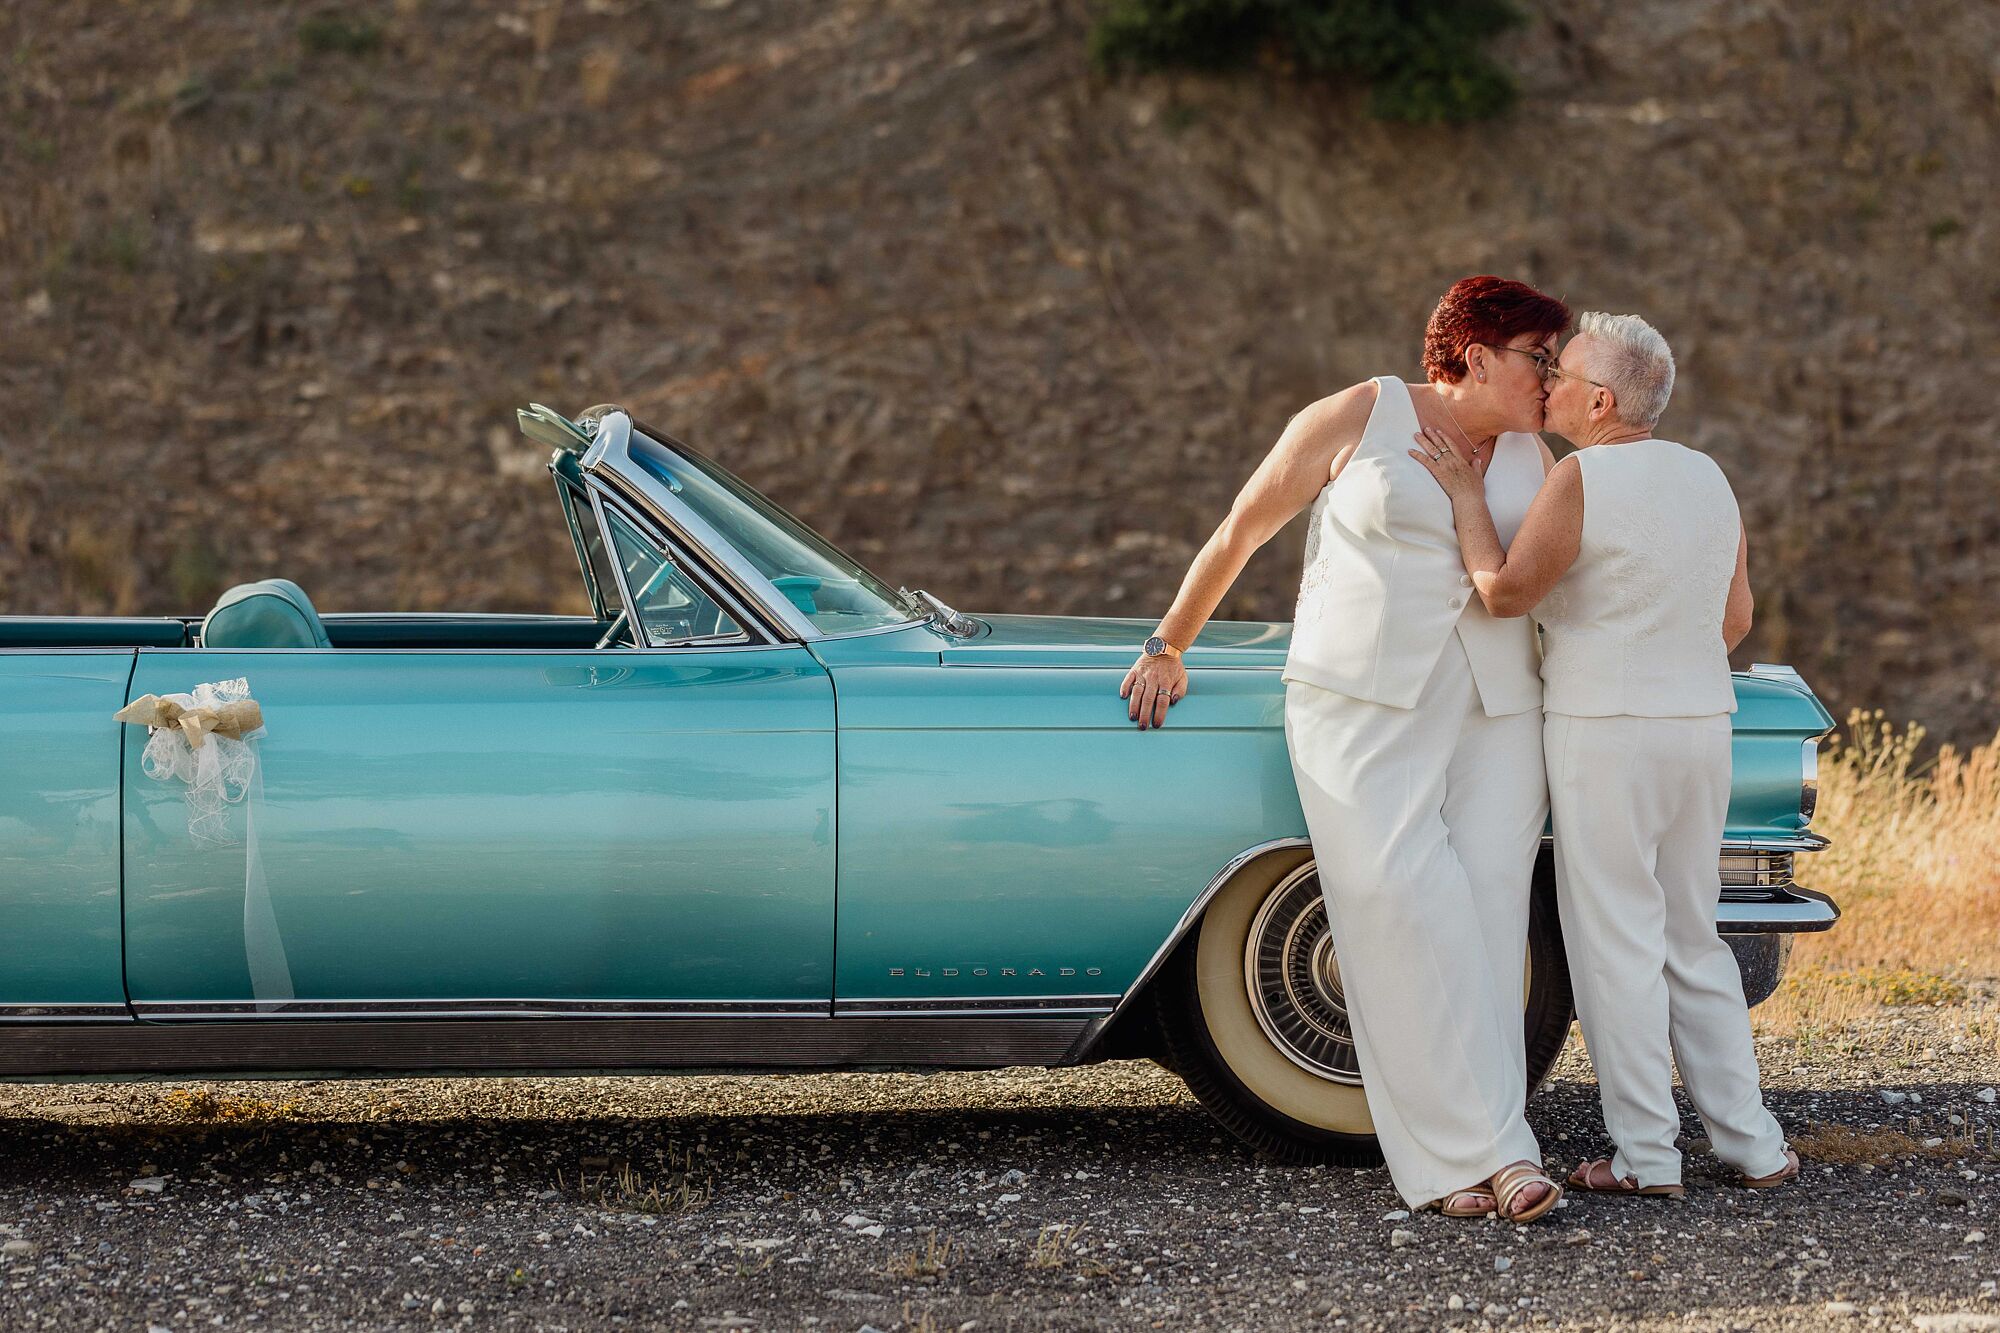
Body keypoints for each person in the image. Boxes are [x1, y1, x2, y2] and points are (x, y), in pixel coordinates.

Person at [1120, 275, 1568, 1222]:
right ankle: (1477, 1156)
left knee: (1489, 919)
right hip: (1359, 699)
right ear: (1477, 353)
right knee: (1399, 912)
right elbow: (1245, 527)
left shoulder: (1542, 448)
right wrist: (1170, 643)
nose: (1553, 374)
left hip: (1499, 710)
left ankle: (1490, 1156)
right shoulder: (1358, 414)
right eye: (1540, 355)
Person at [1408, 310, 1799, 1197]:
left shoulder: (1580, 476)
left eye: (1562, 373)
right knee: (1693, 937)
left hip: (1604, 731)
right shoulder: (1711, 477)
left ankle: (1648, 1158)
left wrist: (1469, 501)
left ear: (1599, 397)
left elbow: (1504, 594)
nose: (1546, 384)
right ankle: (1754, 1145)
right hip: (1702, 724)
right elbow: (1734, 621)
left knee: (1614, 940)